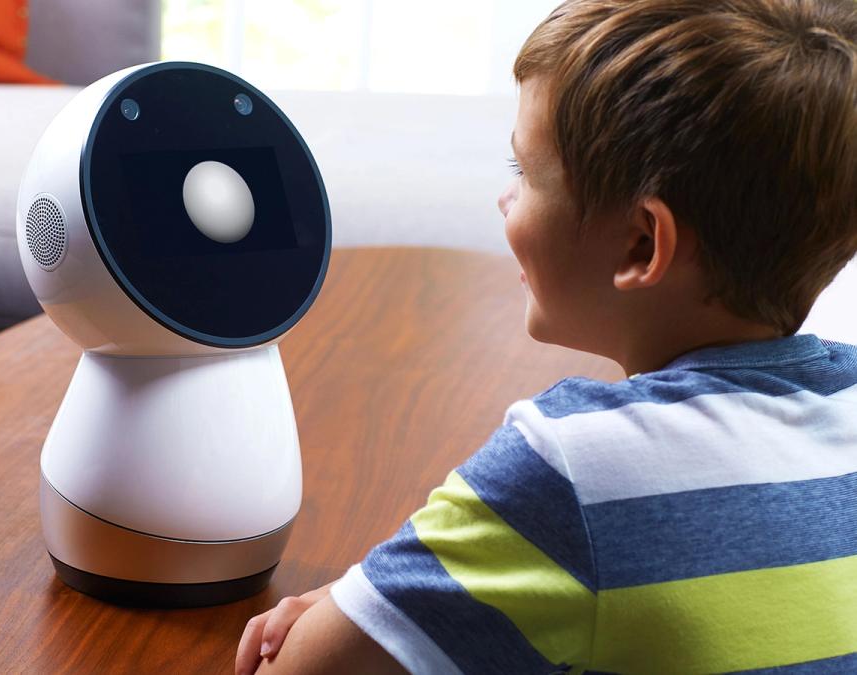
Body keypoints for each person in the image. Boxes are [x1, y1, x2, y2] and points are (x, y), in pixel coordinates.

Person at [235, 0, 857, 672]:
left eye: (524, 174)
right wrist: (377, 595)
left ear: (641, 245)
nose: (506, 200)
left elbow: (297, 667)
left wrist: (345, 607)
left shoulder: (573, 464)